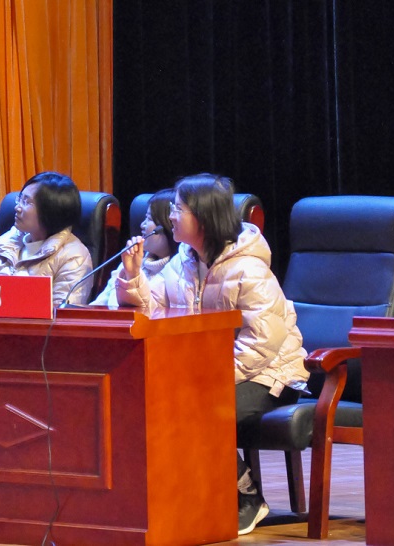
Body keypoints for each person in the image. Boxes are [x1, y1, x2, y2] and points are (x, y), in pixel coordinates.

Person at [115, 173, 309, 535]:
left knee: (195, 407)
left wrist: (210, 377)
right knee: (154, 402)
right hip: (209, 375)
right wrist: (132, 276)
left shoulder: (248, 269)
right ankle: (184, 500)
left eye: (178, 209)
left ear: (202, 216)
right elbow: (150, 310)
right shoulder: (183, 262)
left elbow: (263, 341)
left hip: (270, 375)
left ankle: (247, 497)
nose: (170, 216)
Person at [0, 171, 93, 306]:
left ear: (51, 212)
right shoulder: (5, 245)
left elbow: (61, 314)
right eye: (20, 199)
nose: (17, 208)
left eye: (26, 202)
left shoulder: (74, 257)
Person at [91, 188, 179, 306]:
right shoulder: (133, 261)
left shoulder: (176, 272)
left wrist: (133, 275)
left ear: (167, 226)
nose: (142, 225)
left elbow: (148, 311)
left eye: (149, 219)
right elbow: (100, 304)